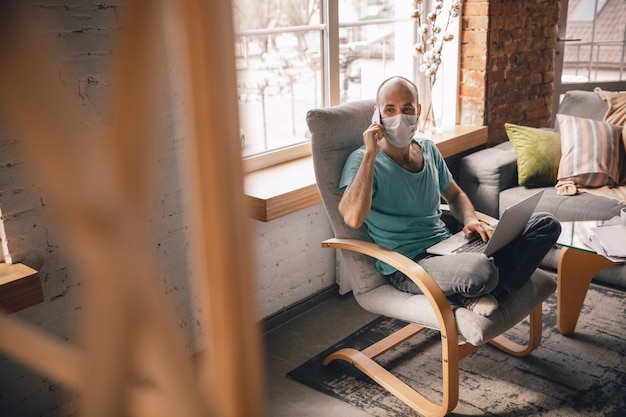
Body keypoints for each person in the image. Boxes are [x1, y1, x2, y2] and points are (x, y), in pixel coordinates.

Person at [338, 76, 561, 316]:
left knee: (546, 224)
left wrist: (470, 220)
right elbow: (352, 218)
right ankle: (483, 284)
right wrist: (371, 153)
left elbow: (454, 194)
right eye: (389, 109)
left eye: (407, 108)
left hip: (449, 247)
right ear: (377, 114)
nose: (399, 117)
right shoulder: (362, 160)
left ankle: (488, 290)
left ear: (418, 111)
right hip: (410, 267)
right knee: (480, 269)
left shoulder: (428, 149)